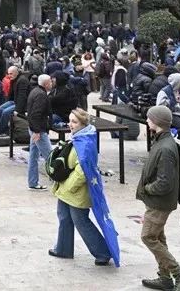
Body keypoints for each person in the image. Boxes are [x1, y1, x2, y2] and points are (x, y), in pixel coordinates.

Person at [138, 106, 180, 290]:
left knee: (148, 236)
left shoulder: (165, 148)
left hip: (160, 202)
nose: (147, 121)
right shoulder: (162, 141)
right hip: (156, 201)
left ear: (157, 121)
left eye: (149, 118)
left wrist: (147, 188)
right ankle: (164, 278)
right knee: (158, 237)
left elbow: (165, 183)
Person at [49, 108, 114, 266]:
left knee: (81, 221)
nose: (70, 124)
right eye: (70, 121)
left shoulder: (85, 143)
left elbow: (82, 171)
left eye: (74, 122)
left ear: (83, 124)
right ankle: (63, 248)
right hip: (66, 187)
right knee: (63, 216)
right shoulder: (77, 137)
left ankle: (103, 252)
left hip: (76, 190)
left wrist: (69, 187)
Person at [26, 74, 54, 191]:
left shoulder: (35, 91)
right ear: (46, 83)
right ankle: (57, 181)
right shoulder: (41, 95)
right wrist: (37, 131)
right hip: (39, 130)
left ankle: (33, 182)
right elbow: (35, 114)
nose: (52, 84)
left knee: (33, 156)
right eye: (51, 82)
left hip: (34, 128)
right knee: (50, 156)